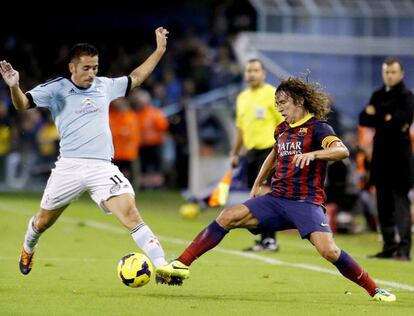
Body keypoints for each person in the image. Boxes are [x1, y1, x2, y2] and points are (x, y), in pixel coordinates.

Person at [156, 77, 396, 302]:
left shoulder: (318, 128)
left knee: (329, 251)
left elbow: (342, 150)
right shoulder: (282, 129)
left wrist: (313, 154)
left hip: (305, 202)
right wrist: (258, 183)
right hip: (277, 199)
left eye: (283, 103)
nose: (279, 108)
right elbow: (273, 155)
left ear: (299, 101)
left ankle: (374, 289)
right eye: (277, 104)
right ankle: (181, 264)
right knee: (228, 216)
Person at [0, 27, 182, 285]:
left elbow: (136, 78)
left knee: (130, 213)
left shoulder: (104, 86)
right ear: (72, 67)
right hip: (69, 167)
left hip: (101, 168)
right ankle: (29, 246)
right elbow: (22, 104)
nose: (92, 73)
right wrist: (14, 87)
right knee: (42, 222)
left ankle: (162, 266)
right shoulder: (56, 89)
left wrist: (160, 50)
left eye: (95, 67)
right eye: (86, 68)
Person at [359, 57, 414, 261]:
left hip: (400, 160)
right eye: (386, 72)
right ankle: (389, 247)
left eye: (393, 72)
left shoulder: (407, 96)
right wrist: (386, 117)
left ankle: (404, 250)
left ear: (401, 74)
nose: (389, 75)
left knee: (400, 205)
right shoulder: (377, 94)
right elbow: (363, 118)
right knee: (383, 206)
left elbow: (400, 120)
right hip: (380, 158)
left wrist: (378, 114)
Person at [230, 58, 284, 251]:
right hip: (251, 153)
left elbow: (283, 124)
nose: (251, 74)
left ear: (263, 73)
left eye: (255, 70)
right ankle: (264, 239)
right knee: (256, 196)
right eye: (248, 70)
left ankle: (270, 239)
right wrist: (235, 153)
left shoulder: (272, 94)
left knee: (264, 194)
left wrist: (283, 150)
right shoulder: (242, 97)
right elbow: (240, 129)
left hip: (269, 151)